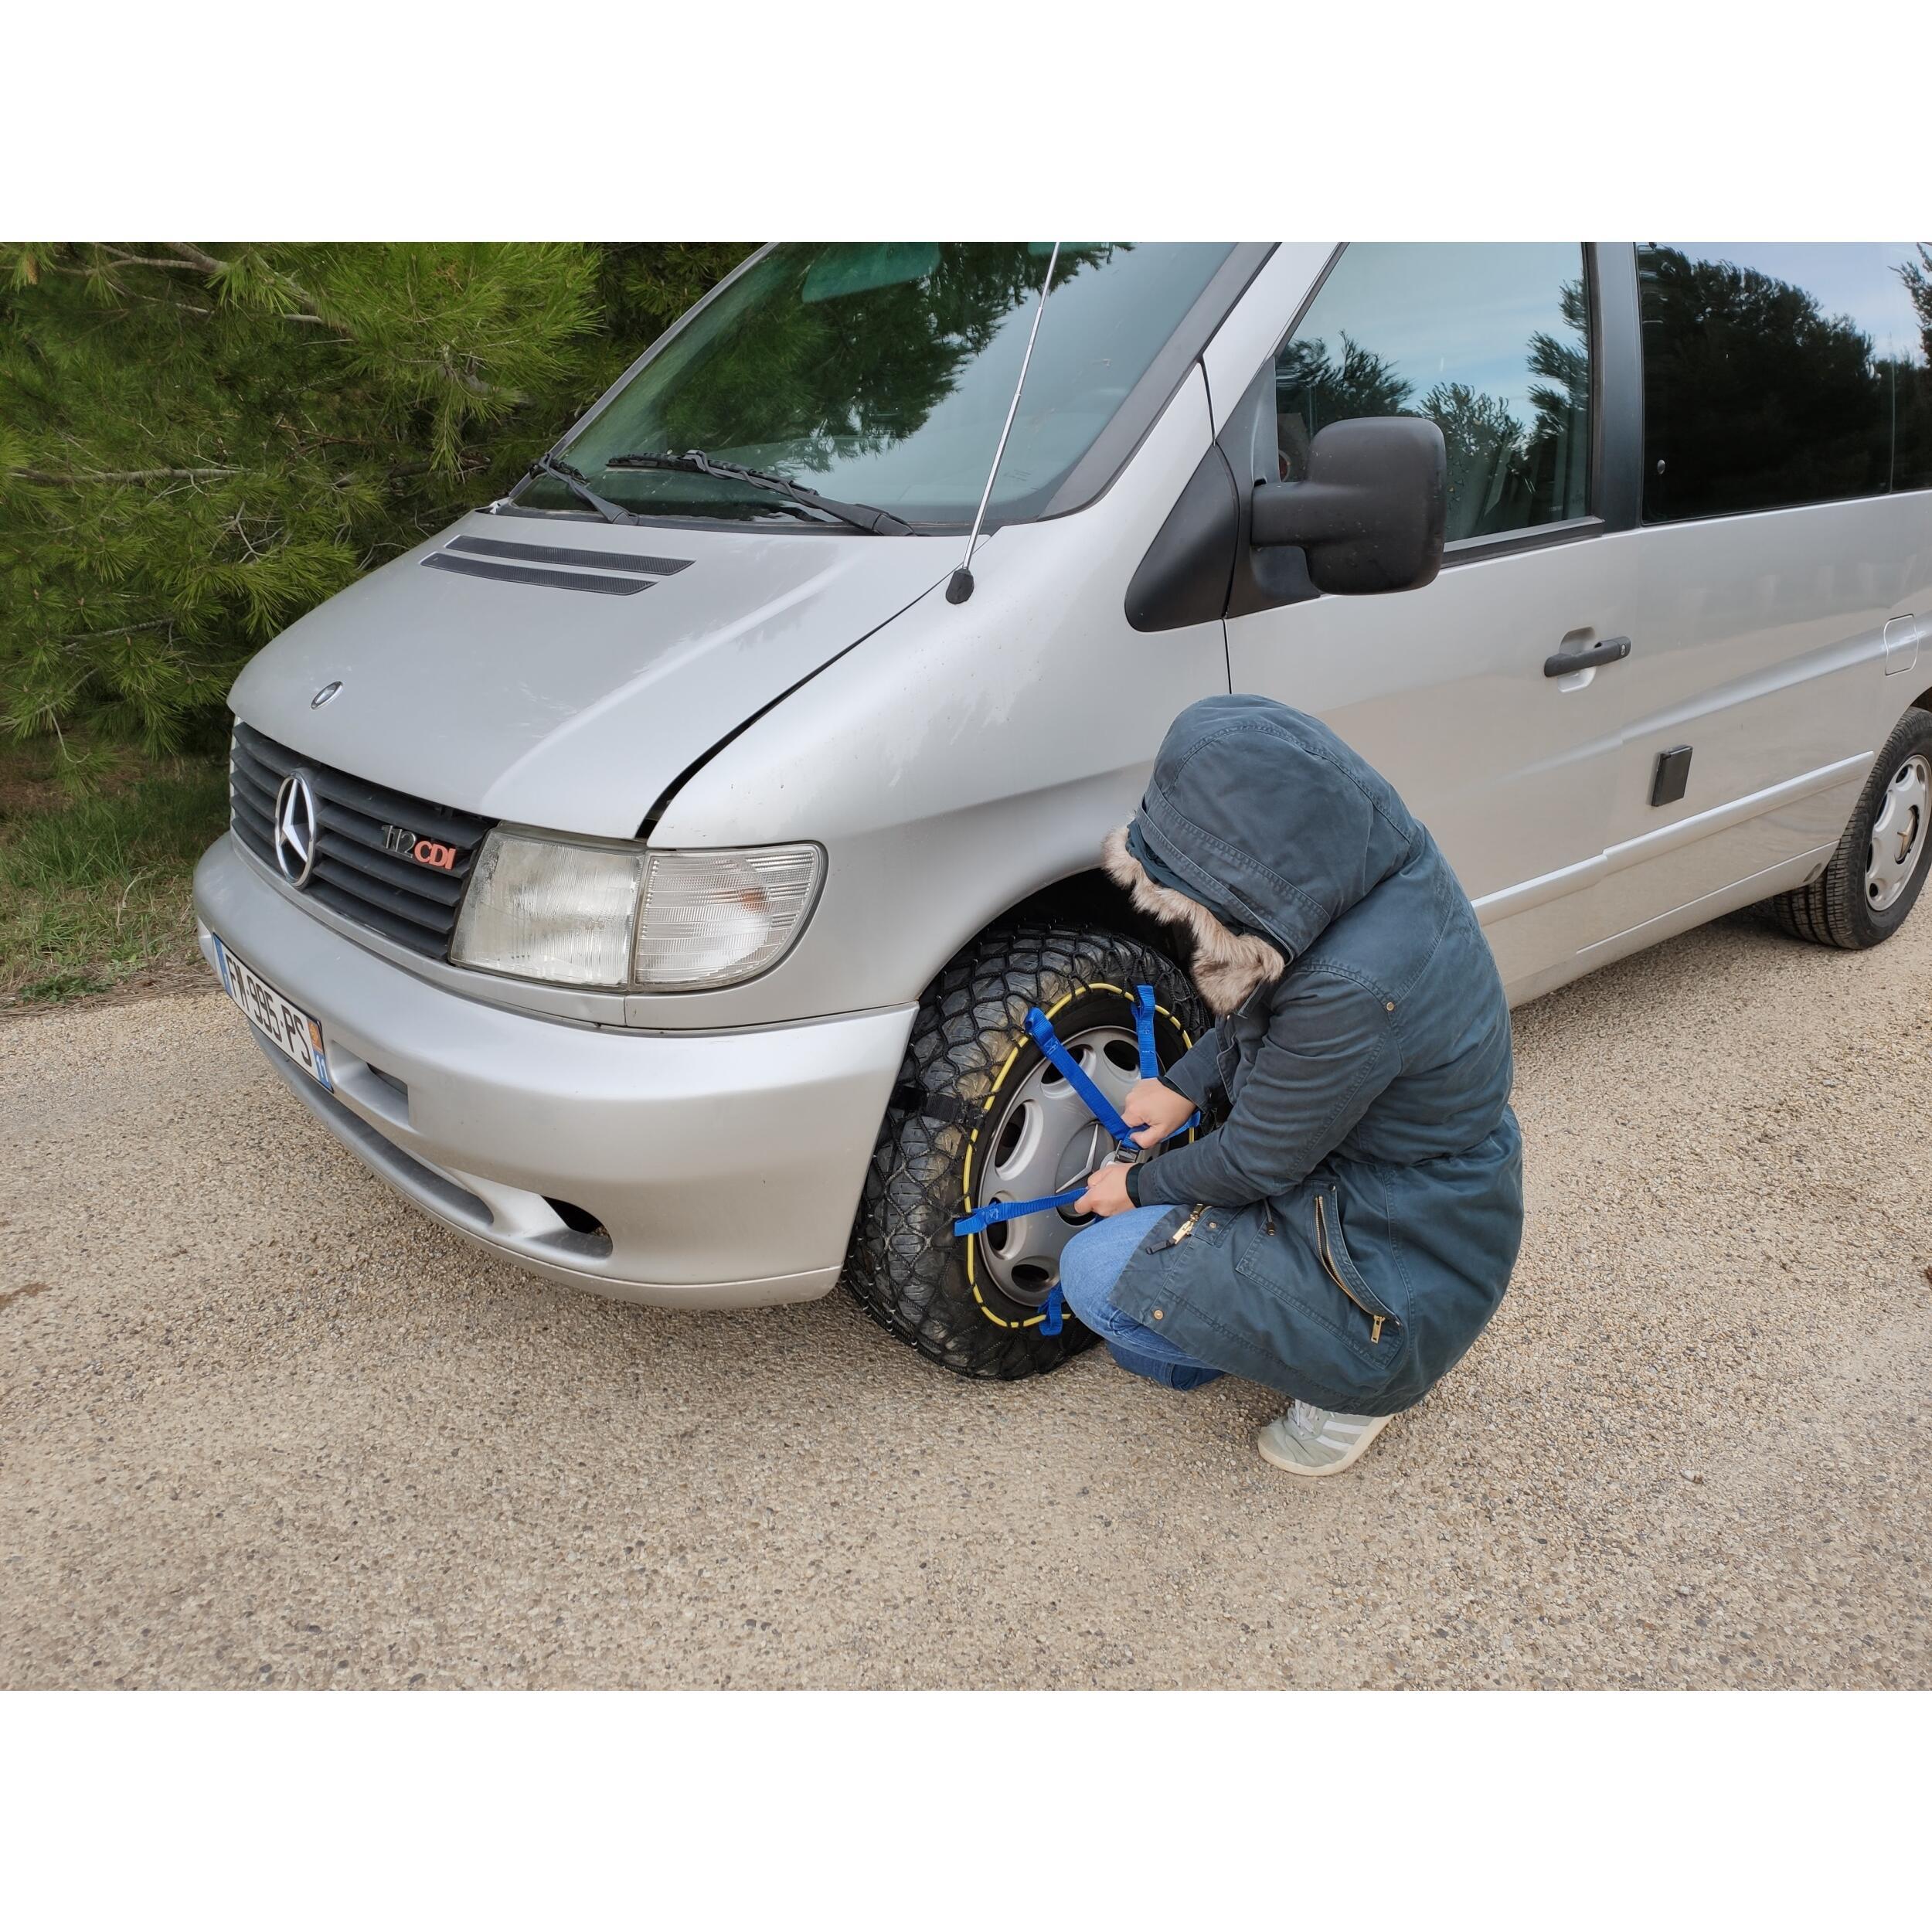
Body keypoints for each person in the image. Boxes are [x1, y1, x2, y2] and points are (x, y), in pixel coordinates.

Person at [1058, 695, 1523, 1478]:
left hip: (1398, 1253)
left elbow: (1256, 1160)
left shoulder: (1353, 986)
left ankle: (1353, 1394)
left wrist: (1133, 1188)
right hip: (1404, 1181)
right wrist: (1183, 1084)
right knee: (1152, 1281)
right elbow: (1278, 1020)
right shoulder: (1369, 878)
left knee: (1097, 1274)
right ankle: (1261, 1329)